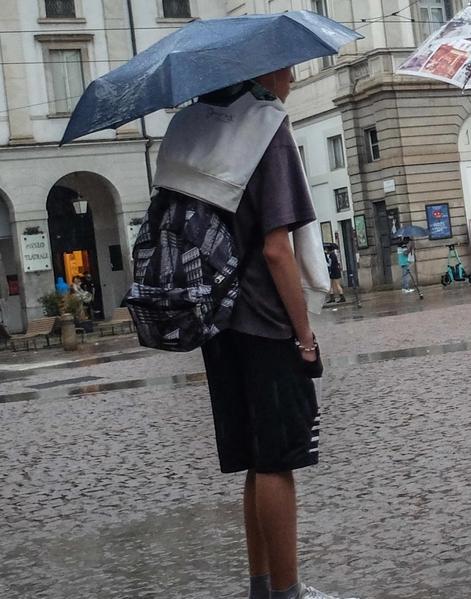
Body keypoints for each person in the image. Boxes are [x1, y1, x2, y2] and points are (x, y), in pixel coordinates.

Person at [156, 67, 348, 599]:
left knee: (254, 459)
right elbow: (276, 249)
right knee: (277, 462)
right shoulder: (267, 127)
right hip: (265, 319)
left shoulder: (192, 126)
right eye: (285, 65)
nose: (292, 75)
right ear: (259, 70)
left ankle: (262, 585)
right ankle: (288, 592)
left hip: (214, 316)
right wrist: (305, 336)